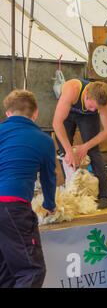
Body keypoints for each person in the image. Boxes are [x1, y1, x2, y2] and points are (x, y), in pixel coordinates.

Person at [0, 90, 57, 287]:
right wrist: (50, 204)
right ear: (35, 114)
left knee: (6, 270)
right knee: (31, 271)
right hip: (12, 207)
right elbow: (49, 179)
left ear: (8, 113)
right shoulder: (45, 140)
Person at [52, 79, 107, 209]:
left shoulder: (103, 103)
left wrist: (86, 146)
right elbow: (57, 123)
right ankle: (72, 193)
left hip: (88, 118)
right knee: (64, 152)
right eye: (91, 106)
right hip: (68, 113)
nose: (92, 109)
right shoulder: (71, 89)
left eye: (96, 108)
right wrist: (69, 151)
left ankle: (104, 196)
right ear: (86, 95)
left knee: (93, 151)